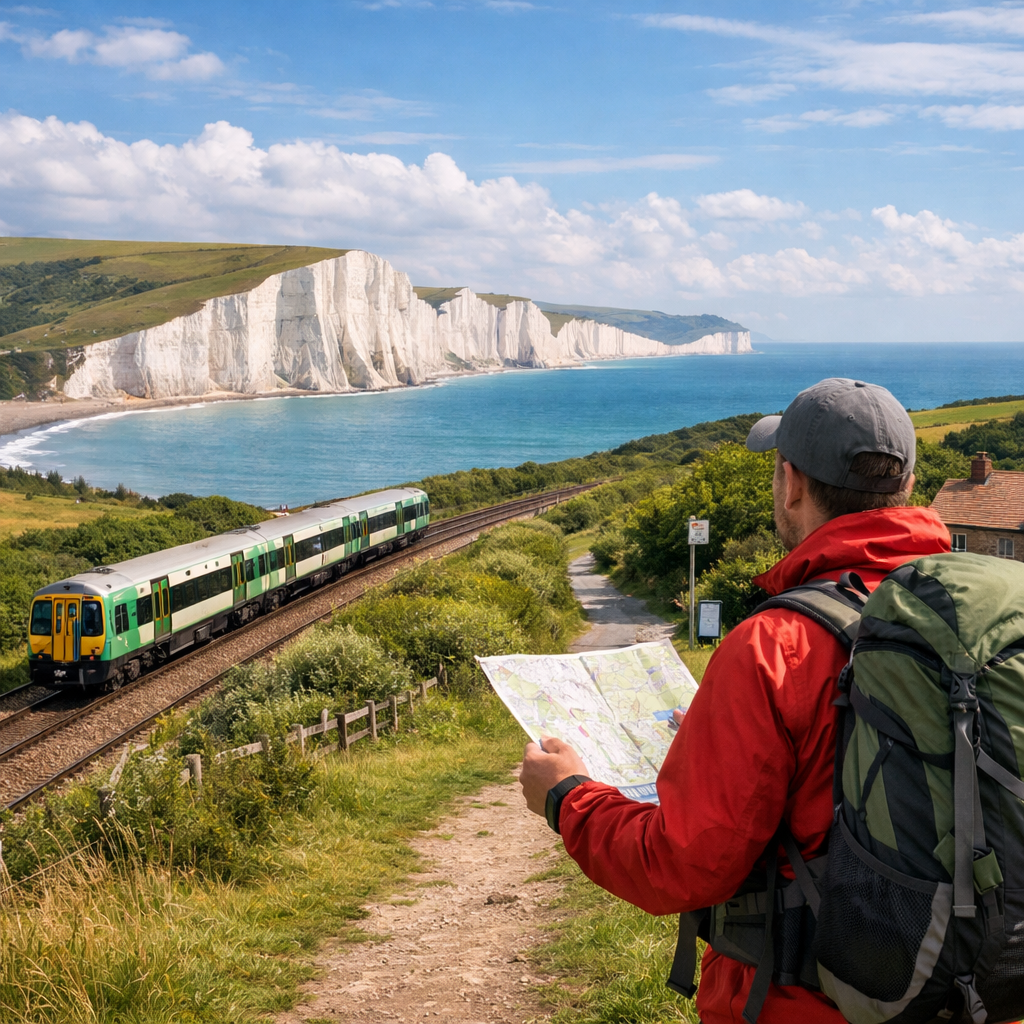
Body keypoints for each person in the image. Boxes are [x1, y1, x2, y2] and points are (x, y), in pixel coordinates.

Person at [517, 378, 953, 1024]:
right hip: (974, 990)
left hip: (808, 1006)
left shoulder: (776, 646)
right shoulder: (984, 624)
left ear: (791, 483)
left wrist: (567, 796)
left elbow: (682, 865)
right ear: (909, 487)